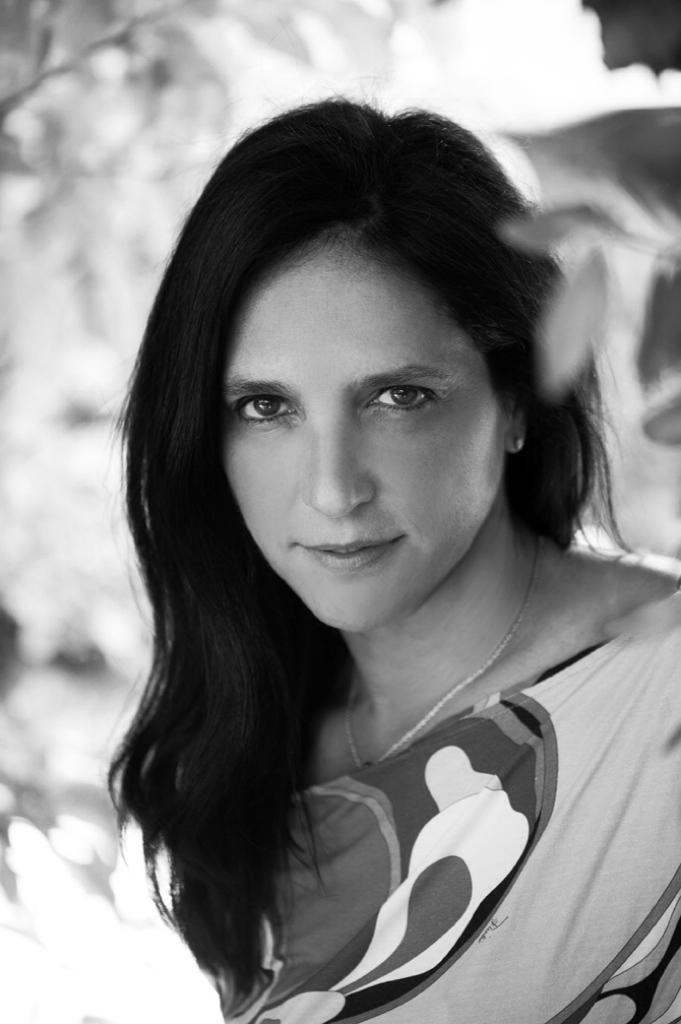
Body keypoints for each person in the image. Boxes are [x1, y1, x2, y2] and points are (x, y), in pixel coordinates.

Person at [109, 98, 681, 1024]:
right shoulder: (243, 752)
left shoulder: (662, 698)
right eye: (266, 408)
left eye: (397, 397)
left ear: (516, 400)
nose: (333, 490)